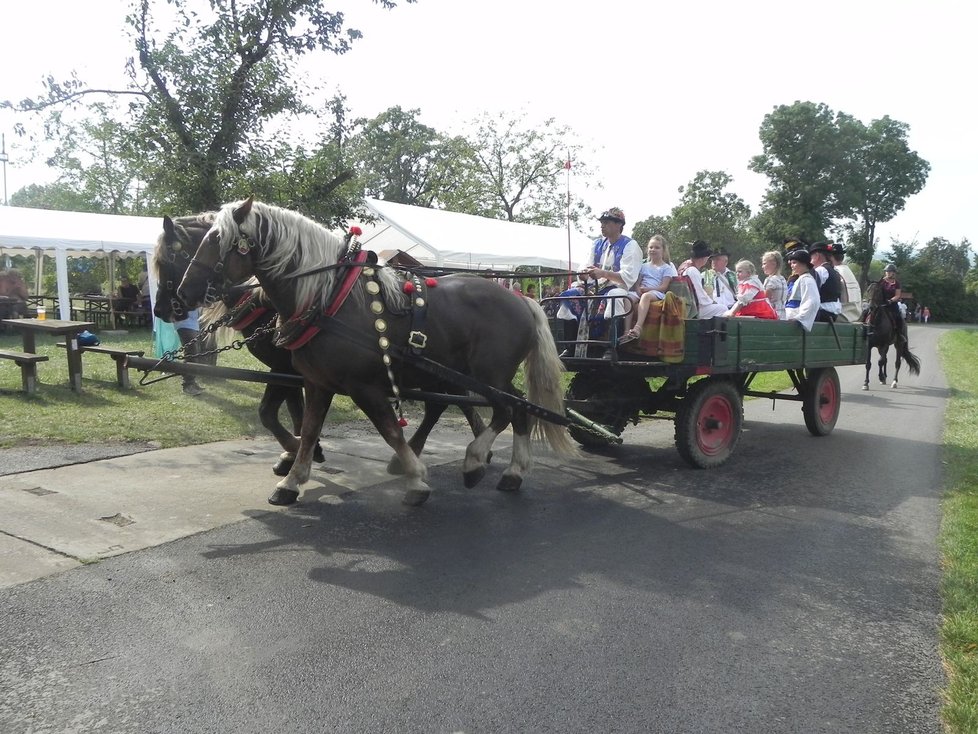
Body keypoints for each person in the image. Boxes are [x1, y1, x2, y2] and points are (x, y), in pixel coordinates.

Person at [557, 207, 642, 353]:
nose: (602, 225)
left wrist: (603, 273)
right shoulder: (596, 244)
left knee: (614, 296)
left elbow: (628, 276)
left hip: (619, 288)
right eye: (602, 222)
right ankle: (570, 346)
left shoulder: (630, 245)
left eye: (607, 222)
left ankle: (611, 347)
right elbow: (586, 266)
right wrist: (583, 274)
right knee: (571, 294)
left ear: (618, 225)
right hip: (593, 287)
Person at [620, 235, 678, 342]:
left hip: (656, 292)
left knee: (646, 296)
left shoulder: (666, 268)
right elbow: (638, 282)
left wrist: (648, 289)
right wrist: (638, 289)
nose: (653, 250)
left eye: (657, 247)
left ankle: (638, 327)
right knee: (628, 298)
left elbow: (664, 287)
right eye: (651, 247)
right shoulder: (644, 266)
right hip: (642, 290)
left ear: (663, 250)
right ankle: (626, 330)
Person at [678, 240, 727, 319]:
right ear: (704, 258)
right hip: (692, 309)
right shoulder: (693, 271)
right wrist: (712, 302)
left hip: (686, 305)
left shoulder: (684, 265)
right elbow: (700, 297)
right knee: (723, 308)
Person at [783, 248, 821, 331]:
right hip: (789, 317)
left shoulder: (807, 280)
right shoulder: (800, 279)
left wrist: (799, 318)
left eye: (794, 263)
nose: (791, 265)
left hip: (795, 322)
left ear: (804, 263)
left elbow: (812, 301)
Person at [808, 241, 844, 322]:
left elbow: (810, 293)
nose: (810, 260)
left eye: (811, 257)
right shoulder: (834, 271)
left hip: (823, 313)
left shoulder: (820, 270)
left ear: (817, 256)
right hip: (832, 313)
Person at [174, 309, 206, 396]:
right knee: (191, 353)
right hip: (184, 324)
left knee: (195, 354)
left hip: (193, 324)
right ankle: (188, 385)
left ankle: (192, 382)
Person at [829, 242, 862, 323]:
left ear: (831, 257)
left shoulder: (834, 272)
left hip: (841, 316)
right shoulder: (849, 272)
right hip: (856, 315)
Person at [761, 250, 788, 319]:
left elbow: (765, 300)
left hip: (773, 314)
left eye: (764, 264)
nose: (762, 267)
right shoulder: (783, 279)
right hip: (783, 314)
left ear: (773, 264)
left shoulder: (770, 280)